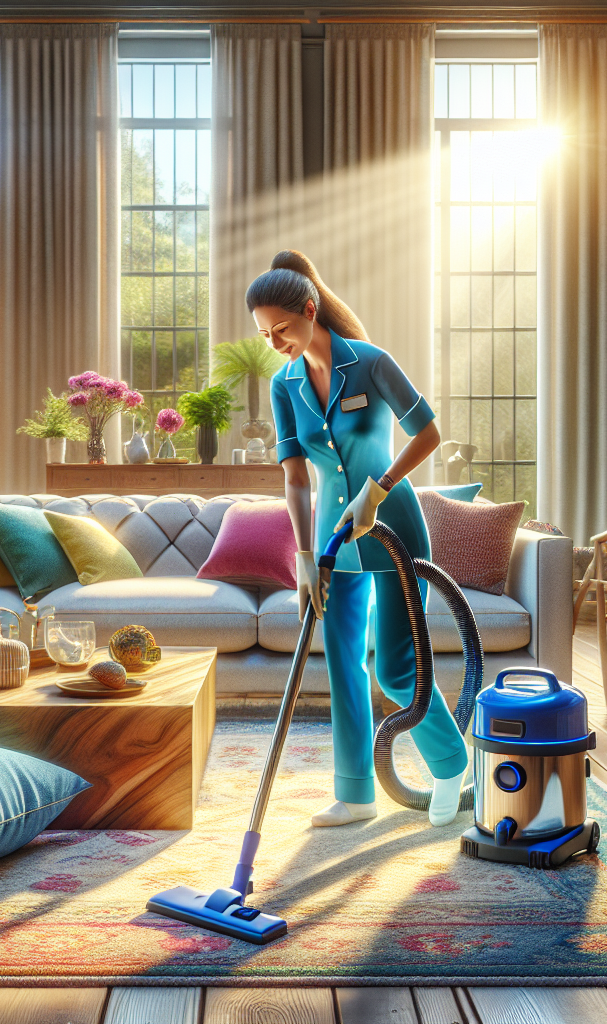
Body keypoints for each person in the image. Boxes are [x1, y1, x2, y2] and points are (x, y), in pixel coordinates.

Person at [247, 250, 468, 828]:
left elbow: (428, 433)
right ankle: (356, 794)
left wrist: (379, 488)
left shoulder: (370, 363)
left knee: (395, 668)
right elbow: (296, 478)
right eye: (265, 334)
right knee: (342, 665)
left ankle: (451, 766)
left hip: (394, 526)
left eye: (282, 328)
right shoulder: (283, 385)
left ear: (309, 309)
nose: (275, 342)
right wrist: (302, 557)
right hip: (331, 541)